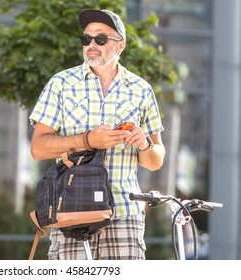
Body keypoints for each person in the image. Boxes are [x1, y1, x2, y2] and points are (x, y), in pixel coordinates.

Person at [29, 9, 166, 260]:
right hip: (71, 213)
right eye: (86, 39)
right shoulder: (60, 84)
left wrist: (144, 145)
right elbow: (38, 148)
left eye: (100, 39)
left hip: (125, 215)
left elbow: (156, 160)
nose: (91, 45)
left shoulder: (141, 90)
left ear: (120, 45)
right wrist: (87, 140)